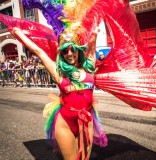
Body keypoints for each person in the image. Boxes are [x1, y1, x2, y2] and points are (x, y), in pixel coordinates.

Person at [12, 26, 107, 160]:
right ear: (61, 53)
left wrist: (95, 34)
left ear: (78, 50)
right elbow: (38, 51)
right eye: (64, 51)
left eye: (72, 49)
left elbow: (91, 47)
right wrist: (19, 34)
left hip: (87, 121)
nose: (69, 53)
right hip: (65, 124)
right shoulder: (58, 73)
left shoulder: (89, 67)